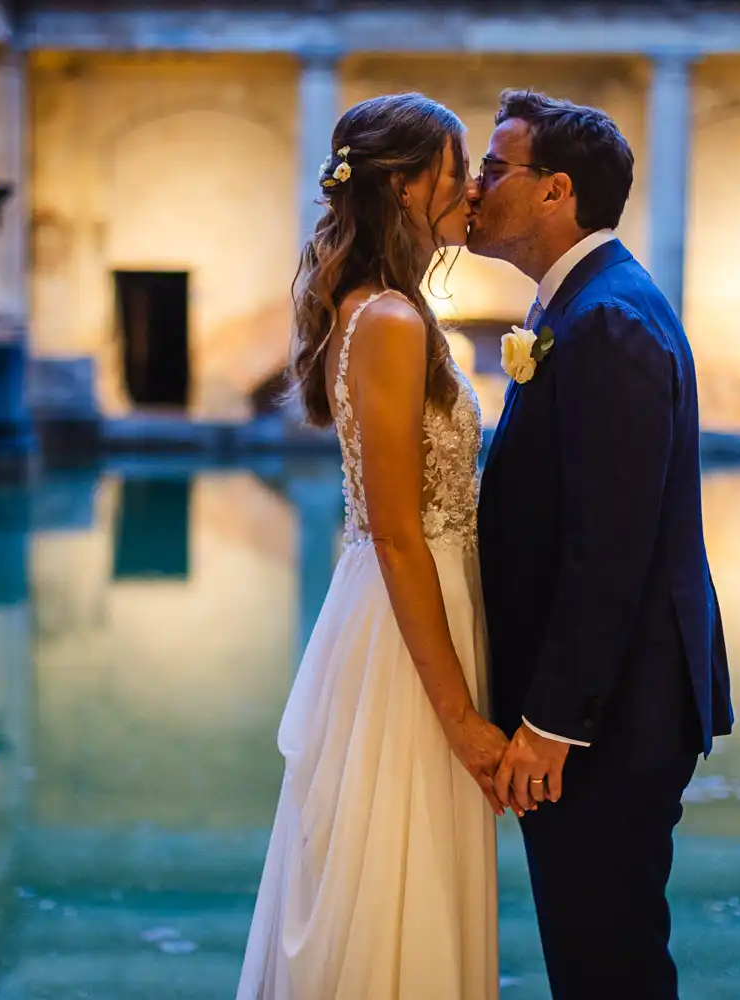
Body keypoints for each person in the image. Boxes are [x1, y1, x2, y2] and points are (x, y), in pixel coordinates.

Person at [236, 92, 503, 1000]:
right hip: (406, 626)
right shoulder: (387, 320)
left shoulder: (384, 308)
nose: (469, 190)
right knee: (399, 870)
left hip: (407, 609)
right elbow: (395, 534)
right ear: (403, 183)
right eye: (455, 170)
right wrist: (463, 720)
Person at [469, 89, 735, 999]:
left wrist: (551, 723)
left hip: (611, 717)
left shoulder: (609, 319)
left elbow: (610, 547)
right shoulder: (580, 303)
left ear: (556, 192)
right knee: (596, 956)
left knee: (607, 964)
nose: (475, 185)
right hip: (605, 708)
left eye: (494, 167)